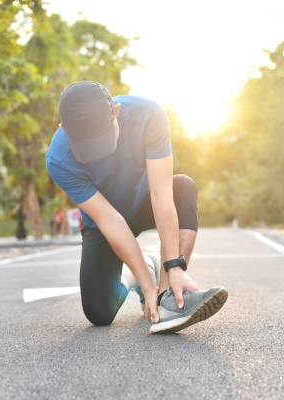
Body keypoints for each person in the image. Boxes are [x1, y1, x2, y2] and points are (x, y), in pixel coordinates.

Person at [46, 81, 228, 333]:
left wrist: (174, 266)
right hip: (103, 222)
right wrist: (144, 282)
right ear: (63, 128)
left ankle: (168, 299)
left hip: (145, 202)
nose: (99, 153)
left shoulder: (149, 114)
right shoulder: (57, 160)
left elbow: (162, 194)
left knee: (182, 188)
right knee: (99, 313)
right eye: (87, 146)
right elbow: (110, 220)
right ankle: (146, 269)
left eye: (103, 138)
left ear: (117, 111)